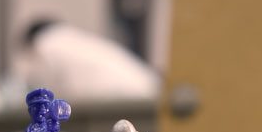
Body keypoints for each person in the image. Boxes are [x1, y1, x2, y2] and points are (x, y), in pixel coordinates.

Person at [12, 18, 160, 102]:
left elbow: (45, 91)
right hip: (148, 88)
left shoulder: (46, 44)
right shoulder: (69, 38)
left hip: (129, 98)